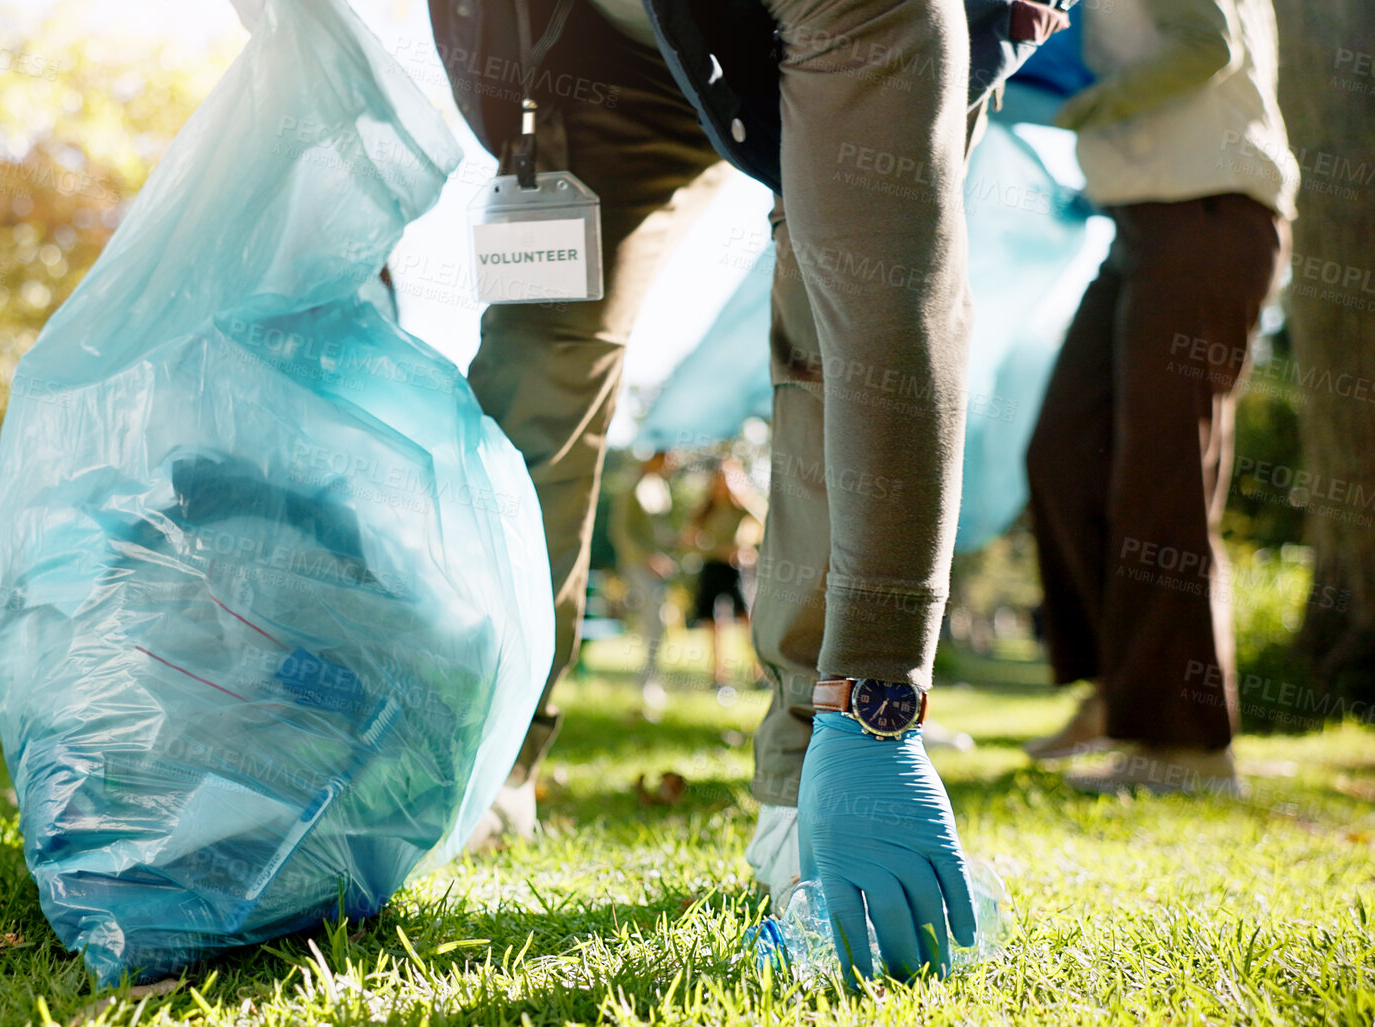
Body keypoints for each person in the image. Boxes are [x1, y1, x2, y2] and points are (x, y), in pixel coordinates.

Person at [433, 0, 1011, 983]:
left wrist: (872, 699)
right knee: (538, 362)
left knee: (831, 331)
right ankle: (480, 750)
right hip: (597, 48)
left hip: (852, 34)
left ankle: (805, 772)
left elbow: (889, 315)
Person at [1022, 0, 1296, 794]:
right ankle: (1117, 694)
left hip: (1211, 214)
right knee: (1064, 452)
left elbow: (1203, 47)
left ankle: (1188, 747)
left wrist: (1080, 107)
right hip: (1143, 223)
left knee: (1163, 470)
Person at [681, 456, 764, 688]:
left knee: (747, 620)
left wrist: (747, 551)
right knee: (714, 623)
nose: (721, 484)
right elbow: (689, 537)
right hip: (711, 568)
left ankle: (758, 673)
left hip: (736, 570)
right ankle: (719, 676)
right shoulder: (705, 510)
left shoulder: (741, 508)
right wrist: (708, 546)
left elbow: (765, 524)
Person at [608, 450, 678, 715]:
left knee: (658, 624)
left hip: (659, 566)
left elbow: (660, 532)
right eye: (668, 458)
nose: (672, 464)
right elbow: (622, 531)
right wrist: (647, 558)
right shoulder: (632, 487)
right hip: (639, 566)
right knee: (652, 621)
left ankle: (651, 679)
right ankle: (645, 683)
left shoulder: (660, 487)